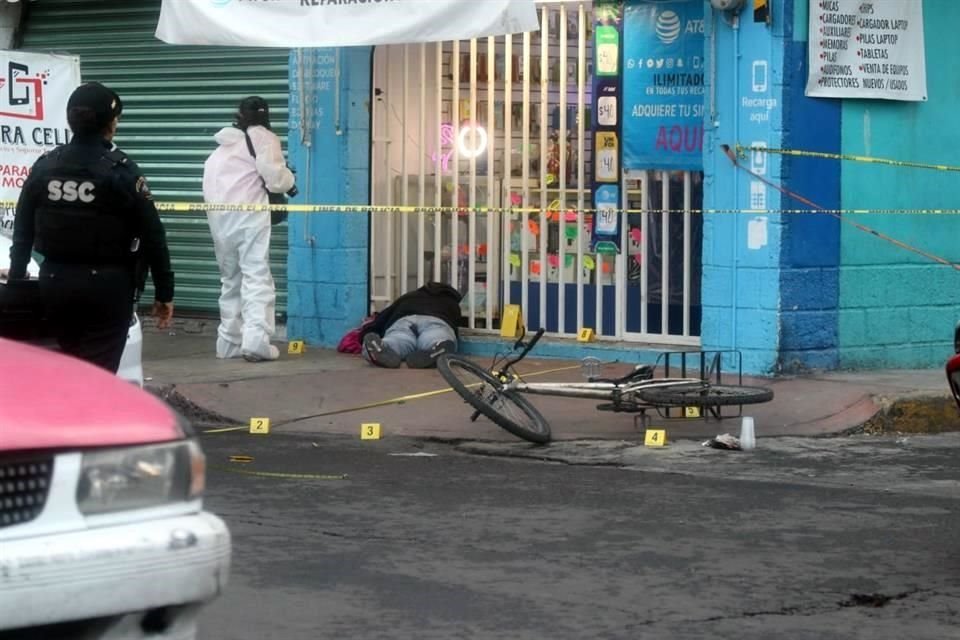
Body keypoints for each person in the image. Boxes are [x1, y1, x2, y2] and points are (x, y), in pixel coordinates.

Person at [7, 81, 174, 372]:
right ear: (110, 124)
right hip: (107, 289)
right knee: (98, 376)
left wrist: (17, 279)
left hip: (55, 283)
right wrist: (164, 293)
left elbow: (23, 230)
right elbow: (153, 235)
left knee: (71, 368)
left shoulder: (45, 166)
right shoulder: (120, 170)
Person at [203, 96, 295, 362]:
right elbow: (276, 180)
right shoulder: (263, 137)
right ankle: (256, 340)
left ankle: (228, 342)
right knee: (256, 275)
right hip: (248, 216)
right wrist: (291, 177)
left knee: (230, 279)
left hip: (219, 219)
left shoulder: (223, 147)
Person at [361, 282, 462, 369]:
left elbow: (382, 317)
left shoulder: (409, 297)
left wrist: (367, 331)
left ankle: (383, 346)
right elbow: (455, 324)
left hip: (404, 321)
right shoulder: (451, 302)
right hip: (435, 321)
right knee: (435, 337)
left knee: (398, 339)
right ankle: (438, 347)